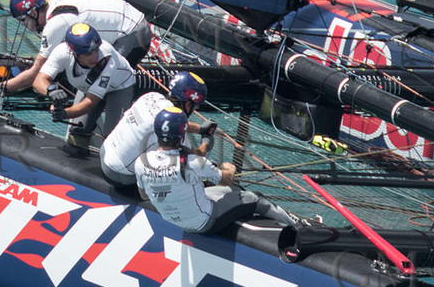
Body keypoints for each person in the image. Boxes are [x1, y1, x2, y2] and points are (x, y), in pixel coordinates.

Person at [136, 110, 296, 233]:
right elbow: (226, 179)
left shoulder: (142, 161)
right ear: (181, 136)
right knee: (257, 198)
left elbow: (144, 195)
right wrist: (228, 168)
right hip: (204, 222)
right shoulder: (194, 163)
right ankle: (296, 228)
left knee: (234, 191)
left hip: (173, 220)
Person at [0, 0, 154, 98]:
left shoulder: (55, 24)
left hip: (133, 33)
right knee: (87, 79)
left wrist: (3, 87)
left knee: (100, 86)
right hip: (127, 25)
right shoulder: (55, 5)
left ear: (33, 13)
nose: (25, 26)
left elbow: (36, 73)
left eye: (23, 20)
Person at [32, 22, 137, 155]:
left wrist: (65, 113)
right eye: (88, 54)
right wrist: (51, 90)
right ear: (74, 53)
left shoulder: (107, 59)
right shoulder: (62, 52)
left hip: (119, 87)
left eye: (96, 51)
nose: (94, 57)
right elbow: (39, 80)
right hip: (89, 87)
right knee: (77, 134)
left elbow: (90, 102)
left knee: (113, 137)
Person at [99, 72, 212, 187]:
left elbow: (169, 121)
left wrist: (200, 129)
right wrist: (205, 143)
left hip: (105, 151)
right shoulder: (173, 124)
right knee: (183, 171)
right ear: (188, 104)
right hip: (118, 174)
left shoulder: (151, 96)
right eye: (195, 106)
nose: (195, 109)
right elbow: (196, 159)